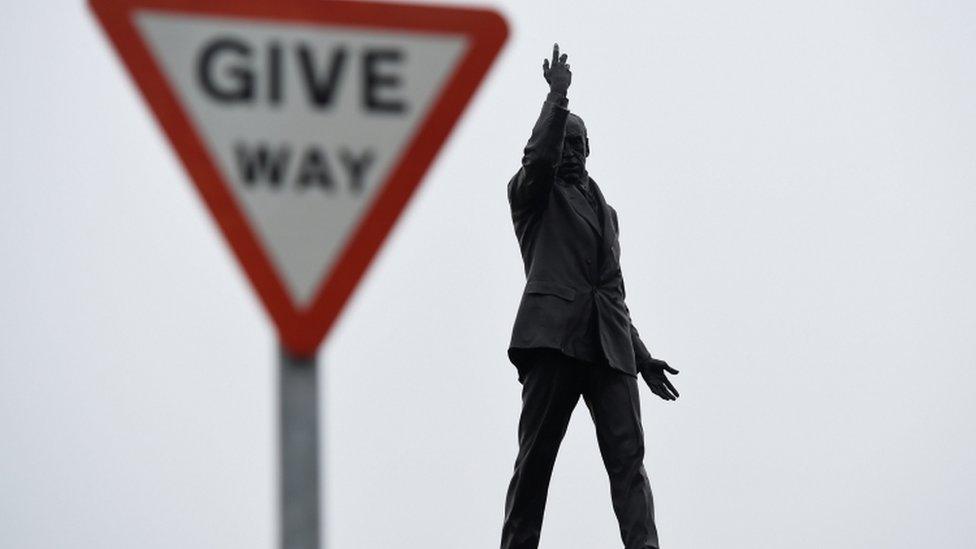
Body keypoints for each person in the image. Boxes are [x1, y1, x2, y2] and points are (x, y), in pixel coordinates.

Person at [500, 44, 680, 549]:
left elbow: (614, 292)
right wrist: (557, 98)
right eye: (565, 141)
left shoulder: (608, 213)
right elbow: (537, 156)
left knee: (630, 465)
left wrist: (642, 357)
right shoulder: (532, 195)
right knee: (534, 463)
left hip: (610, 348)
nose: (572, 150)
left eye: (580, 142)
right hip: (554, 340)